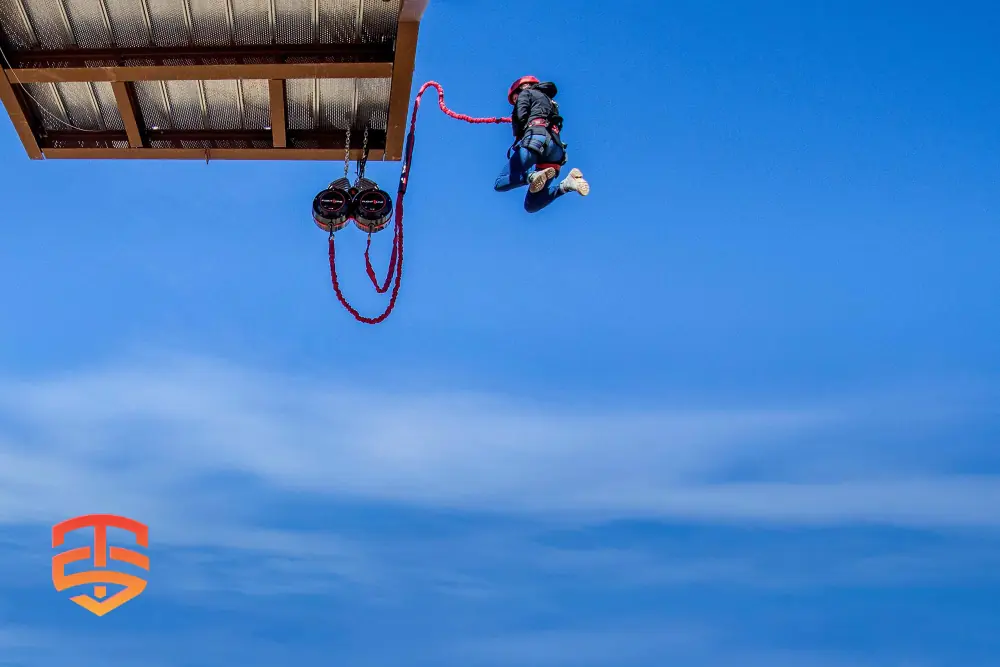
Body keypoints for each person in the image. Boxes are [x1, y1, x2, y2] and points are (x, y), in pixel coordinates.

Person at [494, 75, 590, 213]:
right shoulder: (551, 103)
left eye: (515, 98)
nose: (515, 102)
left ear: (521, 88)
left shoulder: (526, 93)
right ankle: (567, 185)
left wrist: (516, 121)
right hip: (555, 150)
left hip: (536, 139)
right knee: (531, 205)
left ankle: (532, 176)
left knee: (500, 182)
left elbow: (521, 117)